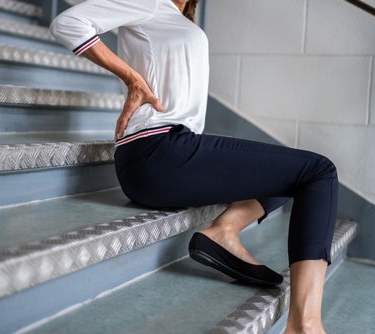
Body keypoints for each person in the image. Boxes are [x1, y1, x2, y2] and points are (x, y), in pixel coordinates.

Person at [50, 1, 337, 332]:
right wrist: (132, 79)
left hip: (167, 155)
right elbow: (69, 23)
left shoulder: (176, 17)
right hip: (158, 151)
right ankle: (306, 325)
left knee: (289, 170)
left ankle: (224, 231)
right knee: (318, 172)